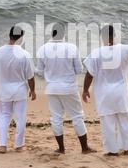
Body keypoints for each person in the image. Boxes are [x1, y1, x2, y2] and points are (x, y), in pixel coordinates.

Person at [82, 25, 128, 156]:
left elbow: (89, 74)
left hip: (104, 94)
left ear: (102, 37)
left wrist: (85, 90)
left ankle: (112, 151)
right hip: (121, 93)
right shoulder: (125, 49)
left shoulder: (96, 53)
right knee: (125, 121)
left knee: (108, 123)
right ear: (115, 35)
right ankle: (127, 149)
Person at [36, 23, 95, 154]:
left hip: (52, 88)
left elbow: (39, 72)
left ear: (52, 34)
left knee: (56, 118)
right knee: (77, 116)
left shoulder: (43, 49)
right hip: (69, 87)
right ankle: (84, 148)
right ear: (64, 35)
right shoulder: (72, 48)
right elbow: (79, 69)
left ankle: (61, 149)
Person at [0, 26, 36, 154]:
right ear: (21, 38)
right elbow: (30, 76)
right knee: (20, 118)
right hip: (20, 90)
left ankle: (2, 145)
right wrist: (32, 91)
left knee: (2, 117)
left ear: (9, 35)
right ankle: (19, 145)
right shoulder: (24, 54)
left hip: (3, 89)